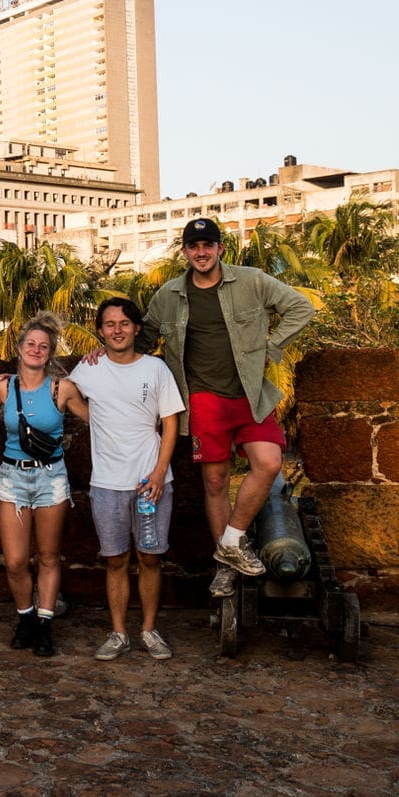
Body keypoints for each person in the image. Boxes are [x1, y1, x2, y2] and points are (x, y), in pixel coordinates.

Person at [137, 217, 315, 598]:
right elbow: (142, 338)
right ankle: (226, 570)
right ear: (185, 252)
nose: (201, 253)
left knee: (268, 463)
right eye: (193, 246)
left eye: (208, 245)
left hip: (250, 395)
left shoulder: (251, 281)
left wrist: (271, 347)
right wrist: (99, 361)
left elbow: (300, 308)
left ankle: (231, 541)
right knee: (215, 482)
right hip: (203, 399)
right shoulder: (168, 295)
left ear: (220, 248)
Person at [67, 298, 185, 660]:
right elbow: (65, 392)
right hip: (106, 484)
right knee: (115, 560)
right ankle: (118, 633)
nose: (117, 330)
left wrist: (159, 471)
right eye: (109, 324)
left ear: (136, 328)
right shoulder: (89, 368)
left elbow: (170, 422)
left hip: (150, 483)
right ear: (100, 330)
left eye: (124, 323)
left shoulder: (155, 369)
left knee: (150, 558)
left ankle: (149, 630)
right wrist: (94, 419)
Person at [0, 314, 78, 658]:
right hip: (12, 477)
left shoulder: (61, 388)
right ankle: (25, 616)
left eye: (43, 346)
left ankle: (44, 624)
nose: (36, 350)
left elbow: (98, 416)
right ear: (19, 348)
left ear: (50, 352)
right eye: (30, 344)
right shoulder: (2, 387)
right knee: (15, 561)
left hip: (51, 476)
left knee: (50, 557)